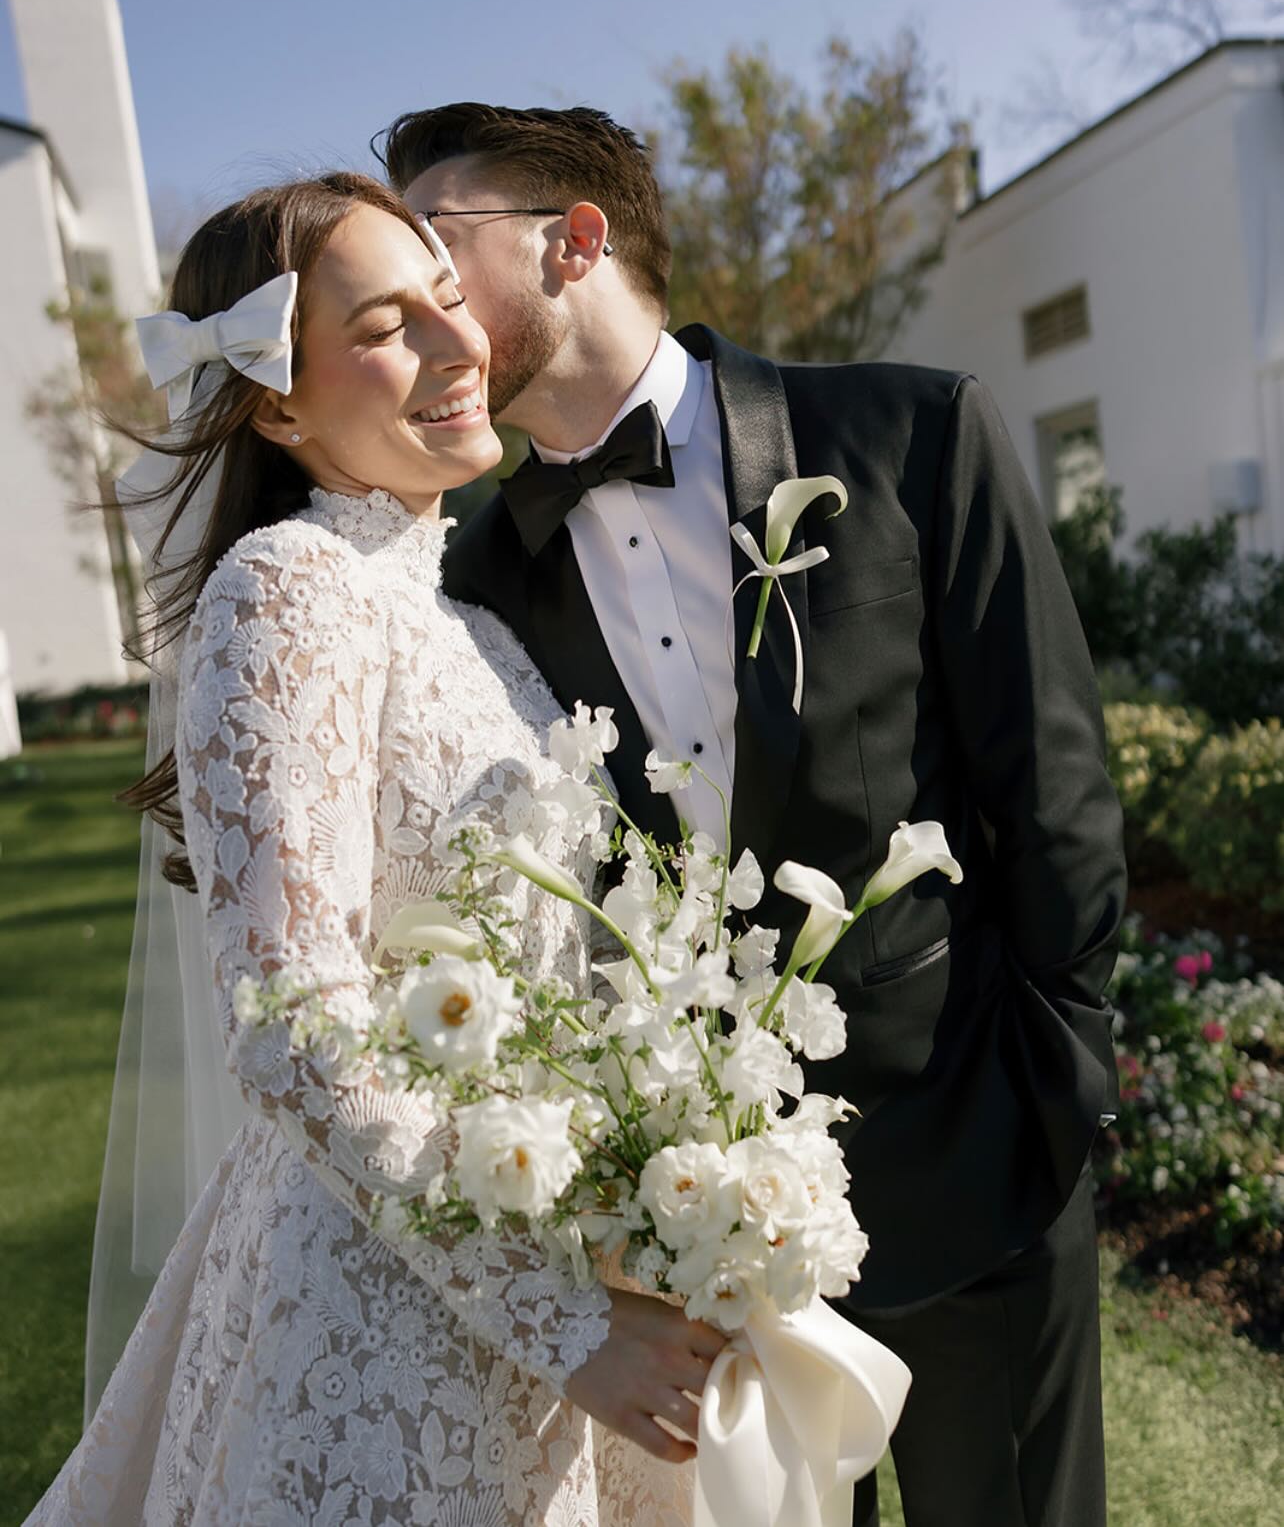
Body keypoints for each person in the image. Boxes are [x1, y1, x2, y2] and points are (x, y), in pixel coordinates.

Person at [378, 103, 1130, 1527]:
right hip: (698, 1242)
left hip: (979, 1162)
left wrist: (1058, 1087)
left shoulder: (912, 431)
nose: (418, 299)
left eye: (438, 247)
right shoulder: (473, 585)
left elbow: (1056, 792)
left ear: (572, 240)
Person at [27, 172, 721, 1527]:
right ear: (277, 405)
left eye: (449, 300)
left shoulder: (472, 626)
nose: (462, 346)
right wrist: (566, 1322)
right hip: (378, 1325)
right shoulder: (287, 588)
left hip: (537, 1264)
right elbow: (293, 1021)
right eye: (389, 327)